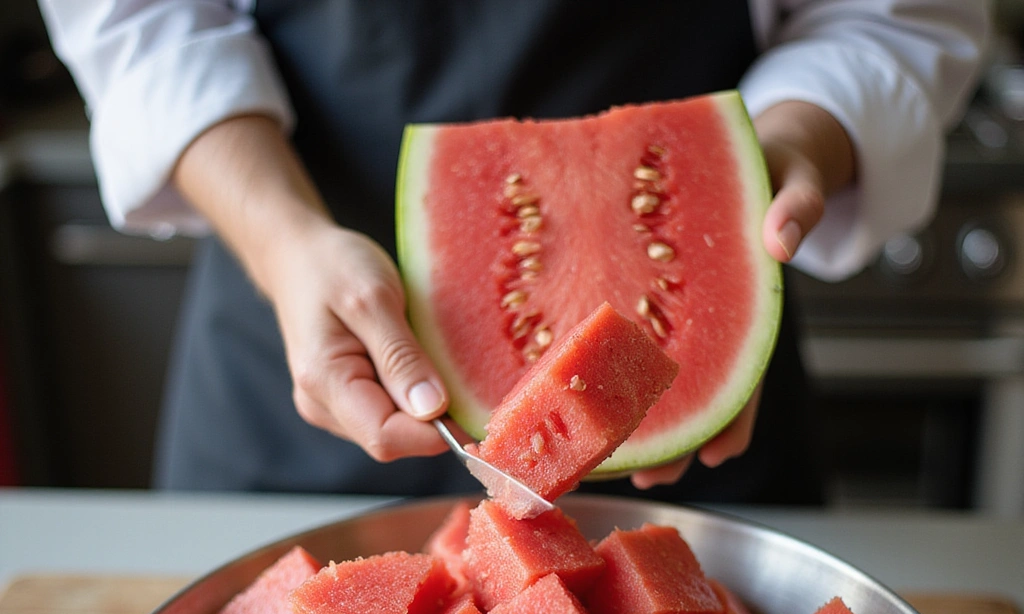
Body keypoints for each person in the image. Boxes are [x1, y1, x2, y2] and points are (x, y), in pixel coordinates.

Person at [39, 1, 988, 503]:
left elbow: (894, 12)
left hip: (692, 437)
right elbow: (142, 19)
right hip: (304, 341)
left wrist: (782, 148)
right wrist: (284, 243)